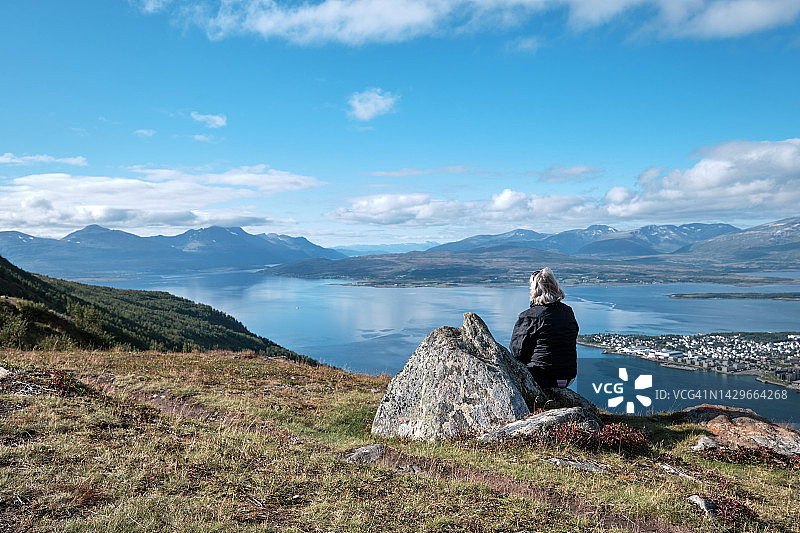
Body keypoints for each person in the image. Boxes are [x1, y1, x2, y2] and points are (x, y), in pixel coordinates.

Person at [509, 268, 578, 389]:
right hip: (568, 376)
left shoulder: (529, 316)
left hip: (542, 376)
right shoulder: (567, 312)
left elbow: (516, 352)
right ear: (554, 287)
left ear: (535, 290)